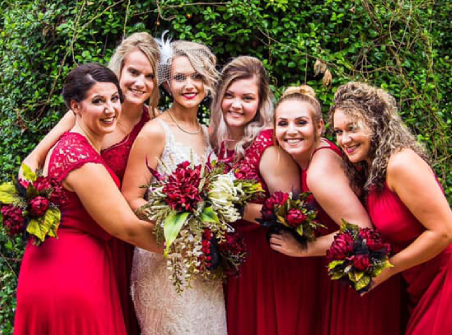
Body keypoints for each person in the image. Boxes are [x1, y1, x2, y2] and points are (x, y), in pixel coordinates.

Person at [331, 81, 452, 334]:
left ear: (376, 124)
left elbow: (445, 232)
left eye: (352, 128)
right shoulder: (369, 170)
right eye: (338, 131)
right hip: (420, 283)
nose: (344, 139)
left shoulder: (400, 164)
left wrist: (385, 271)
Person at [21, 32, 159, 335]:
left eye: (113, 100)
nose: (109, 108)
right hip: (75, 260)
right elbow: (31, 165)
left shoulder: (152, 124)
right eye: (133, 72)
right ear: (76, 106)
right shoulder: (76, 146)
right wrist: (34, 202)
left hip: (98, 249)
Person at [269, 85, 402, 335]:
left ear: (319, 127)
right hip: (347, 274)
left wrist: (304, 249)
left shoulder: (319, 171)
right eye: (282, 123)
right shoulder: (322, 151)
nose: (291, 131)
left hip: (359, 277)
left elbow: (361, 231)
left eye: (301, 122)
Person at [121, 38, 226, 335]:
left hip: (203, 263)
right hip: (163, 261)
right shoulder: (155, 131)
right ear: (166, 85)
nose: (189, 85)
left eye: (197, 76)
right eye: (180, 77)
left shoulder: (208, 133)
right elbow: (131, 197)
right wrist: (173, 227)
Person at [210, 56, 316, 335]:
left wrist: (228, 204)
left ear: (260, 102)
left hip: (271, 263)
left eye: (247, 97)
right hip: (240, 262)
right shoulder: (220, 142)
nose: (236, 104)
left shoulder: (267, 145)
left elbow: (292, 215)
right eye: (229, 95)